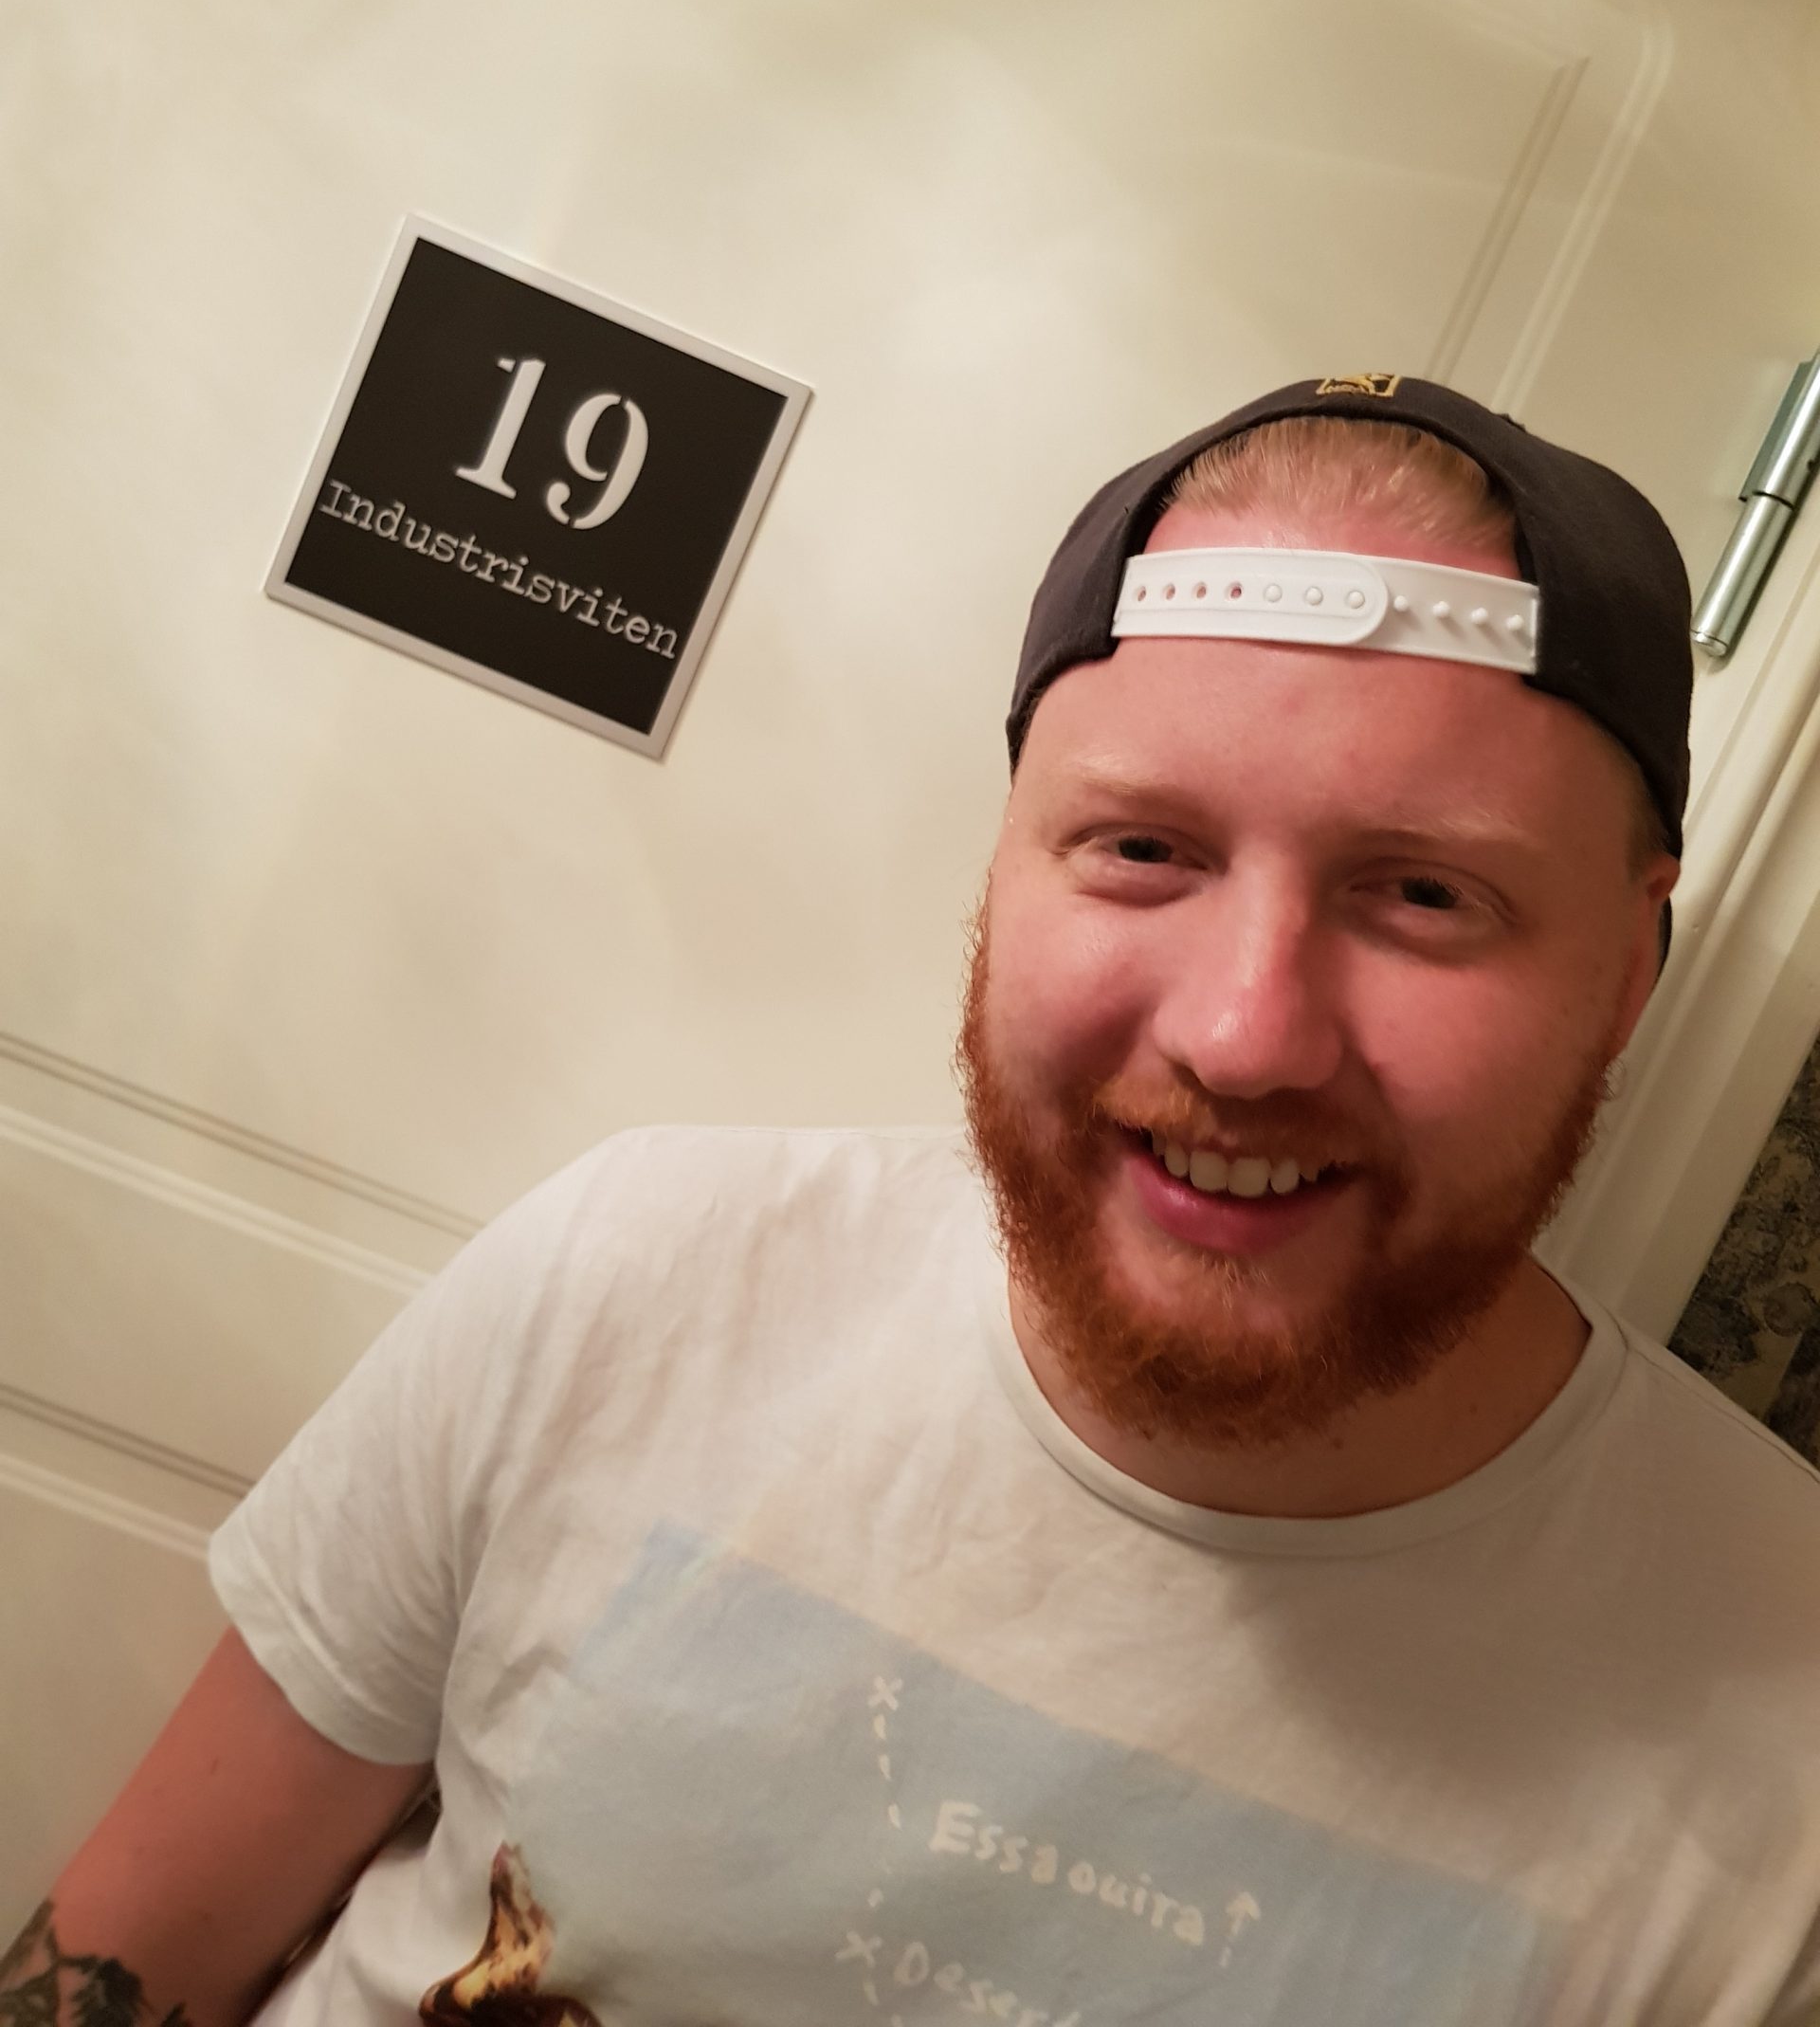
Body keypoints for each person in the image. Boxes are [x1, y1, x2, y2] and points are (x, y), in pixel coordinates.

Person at [9, 374, 1820, 2027]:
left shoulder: (1786, 1721)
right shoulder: (633, 1279)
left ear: (1627, 974)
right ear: (1007, 864)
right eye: (1143, 850)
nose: (1244, 1033)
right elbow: (129, 1956)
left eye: (1425, 895)